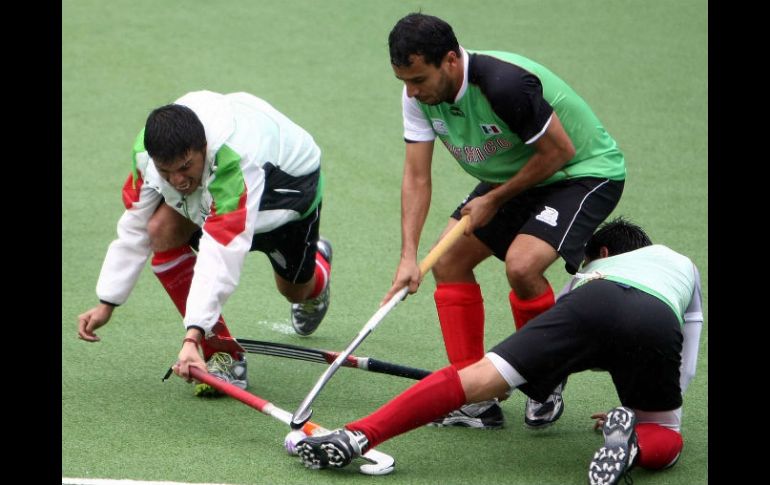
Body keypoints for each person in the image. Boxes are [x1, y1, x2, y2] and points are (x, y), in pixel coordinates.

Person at [296, 218, 703, 485]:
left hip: (589, 302)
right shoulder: (682, 265)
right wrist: (653, 405)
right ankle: (632, 446)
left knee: (473, 379)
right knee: (664, 432)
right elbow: (688, 337)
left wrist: (517, 380)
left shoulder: (588, 275)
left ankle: (358, 435)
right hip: (657, 315)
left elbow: (566, 342)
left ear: (604, 256)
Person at [380, 13, 627, 428]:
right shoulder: (418, 99)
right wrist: (408, 255)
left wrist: (493, 199)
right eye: (404, 81)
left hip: (581, 173)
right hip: (511, 177)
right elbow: (417, 177)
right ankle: (475, 393)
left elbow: (559, 152)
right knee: (448, 261)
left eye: (419, 79)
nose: (412, 91)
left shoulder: (504, 84)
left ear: (451, 62)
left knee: (522, 265)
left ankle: (543, 379)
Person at [76, 90, 334, 395]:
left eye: (185, 166)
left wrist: (190, 336)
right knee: (159, 228)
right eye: (165, 172)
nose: (177, 181)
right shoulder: (148, 154)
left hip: (285, 194)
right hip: (215, 192)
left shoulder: (235, 158)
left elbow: (220, 252)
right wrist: (108, 300)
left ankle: (317, 272)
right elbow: (134, 225)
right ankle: (224, 353)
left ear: (204, 148)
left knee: (294, 290)